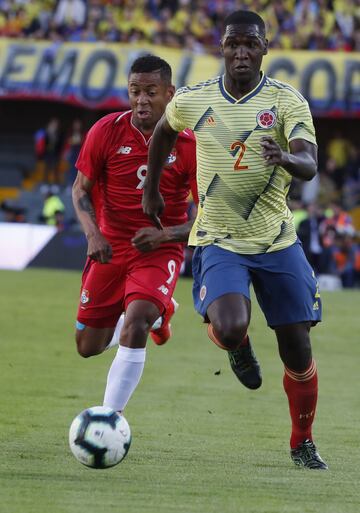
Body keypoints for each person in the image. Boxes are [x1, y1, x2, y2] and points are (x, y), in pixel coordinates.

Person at [142, 10, 328, 470]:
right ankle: (237, 344)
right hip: (219, 237)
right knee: (228, 326)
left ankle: (301, 442)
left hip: (276, 241)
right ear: (221, 48)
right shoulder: (195, 98)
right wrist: (151, 191)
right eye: (232, 43)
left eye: (250, 43)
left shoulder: (287, 103)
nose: (240, 51)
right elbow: (164, 132)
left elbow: (310, 164)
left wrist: (284, 156)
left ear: (265, 48)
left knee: (297, 349)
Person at [72, 55, 197, 415]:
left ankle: (110, 419)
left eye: (151, 92)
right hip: (110, 248)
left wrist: (165, 236)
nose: (142, 99)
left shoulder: (190, 144)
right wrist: (93, 236)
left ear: (169, 94)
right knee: (87, 346)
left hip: (160, 250)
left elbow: (209, 216)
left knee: (137, 319)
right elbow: (80, 189)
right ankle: (163, 311)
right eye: (135, 91)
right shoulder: (106, 131)